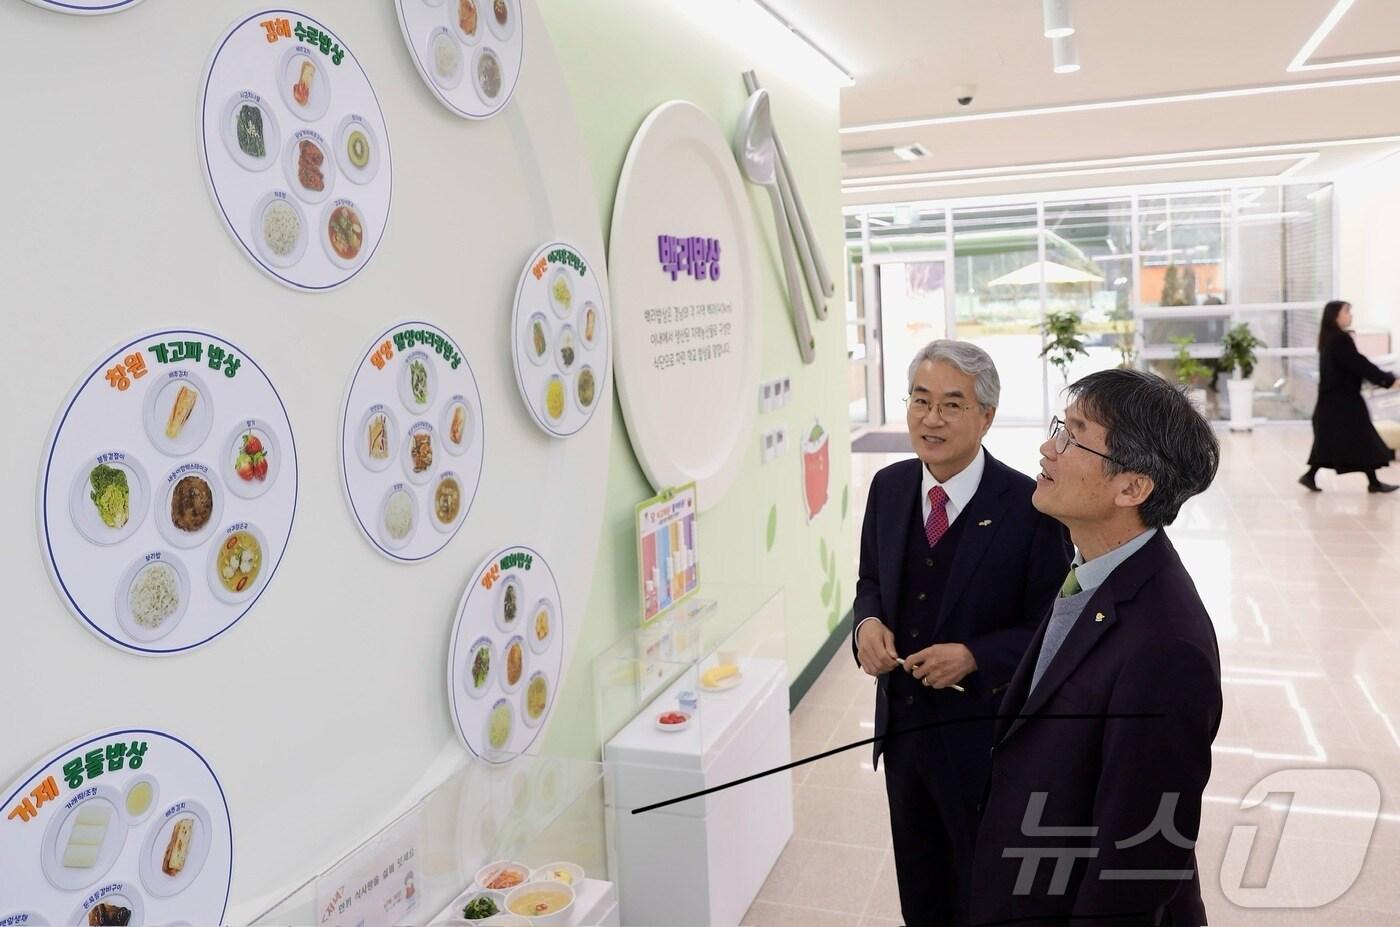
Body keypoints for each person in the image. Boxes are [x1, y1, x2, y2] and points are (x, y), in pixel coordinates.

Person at [971, 369, 1222, 927]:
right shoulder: (1092, 572)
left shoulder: (1166, 647)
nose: (1047, 447)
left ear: (1132, 488)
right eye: (1060, 426)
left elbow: (1139, 864)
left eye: (1072, 436)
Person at [852, 340, 1070, 927]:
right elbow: (870, 579)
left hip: (985, 743)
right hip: (903, 735)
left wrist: (976, 655)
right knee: (920, 887)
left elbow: (1052, 627)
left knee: (985, 890)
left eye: (951, 404)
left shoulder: (1031, 508)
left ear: (987, 416)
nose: (931, 418)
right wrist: (866, 624)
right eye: (920, 400)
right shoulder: (889, 488)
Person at [1300, 299, 1399, 493]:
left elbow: (1356, 365)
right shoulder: (1339, 339)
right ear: (1335, 315)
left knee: (1346, 441)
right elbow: (1359, 364)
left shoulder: (1329, 338)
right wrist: (1387, 380)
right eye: (1347, 311)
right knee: (1364, 439)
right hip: (1343, 404)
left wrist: (1386, 379)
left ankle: (1312, 476)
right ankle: (1373, 482)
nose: (1350, 315)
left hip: (1335, 403)